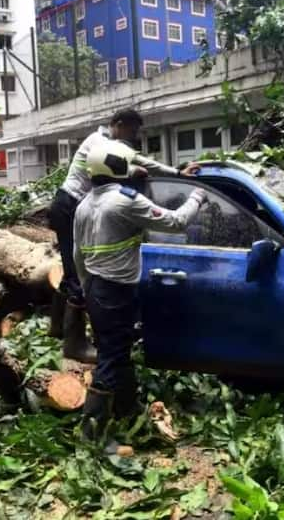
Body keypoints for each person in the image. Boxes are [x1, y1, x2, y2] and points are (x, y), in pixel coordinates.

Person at [73, 140, 207, 437]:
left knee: (118, 352)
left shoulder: (84, 204)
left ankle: (127, 411)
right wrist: (198, 195)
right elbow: (176, 222)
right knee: (111, 358)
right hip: (115, 291)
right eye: (125, 164)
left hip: (96, 287)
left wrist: (87, 289)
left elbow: (76, 255)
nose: (130, 168)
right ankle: (92, 434)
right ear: (115, 168)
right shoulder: (125, 200)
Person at [48, 109, 192, 363]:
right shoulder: (100, 143)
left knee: (72, 271)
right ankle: (74, 345)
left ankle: (57, 329)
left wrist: (136, 171)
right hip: (70, 205)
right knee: (74, 277)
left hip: (73, 205)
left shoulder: (107, 145)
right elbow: (143, 162)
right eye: (132, 131)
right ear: (118, 124)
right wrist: (179, 174)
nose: (133, 137)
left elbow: (131, 167)